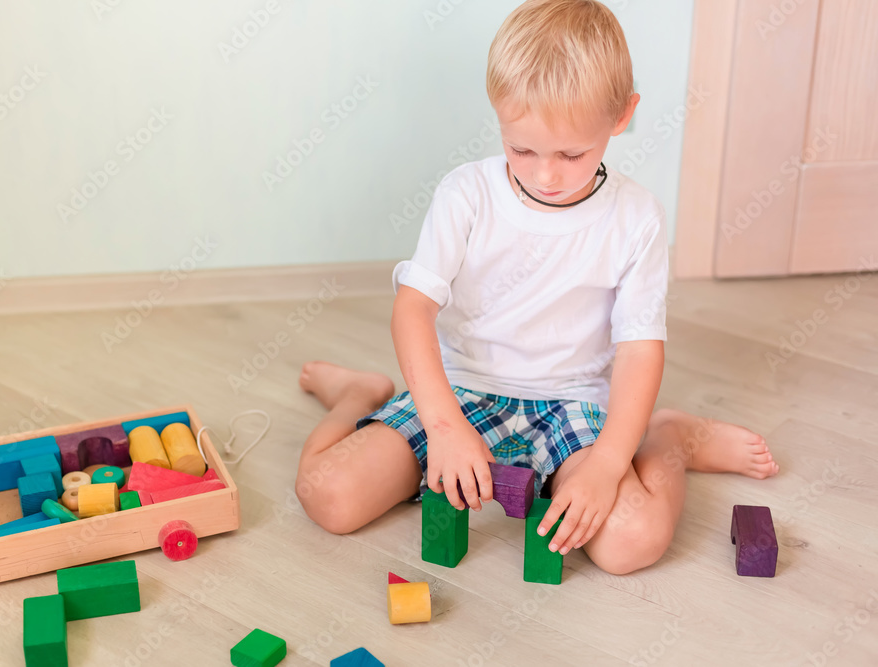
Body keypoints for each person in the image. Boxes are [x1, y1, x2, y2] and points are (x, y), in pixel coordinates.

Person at [295, 0, 779, 575]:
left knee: (632, 542)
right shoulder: (466, 194)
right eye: (521, 148)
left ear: (623, 115)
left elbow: (640, 349)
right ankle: (359, 395)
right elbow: (412, 311)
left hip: (571, 404)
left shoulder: (636, 217)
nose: (545, 175)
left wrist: (608, 461)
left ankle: (668, 437)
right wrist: (446, 428)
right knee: (329, 495)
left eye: (572, 154)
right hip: (462, 394)